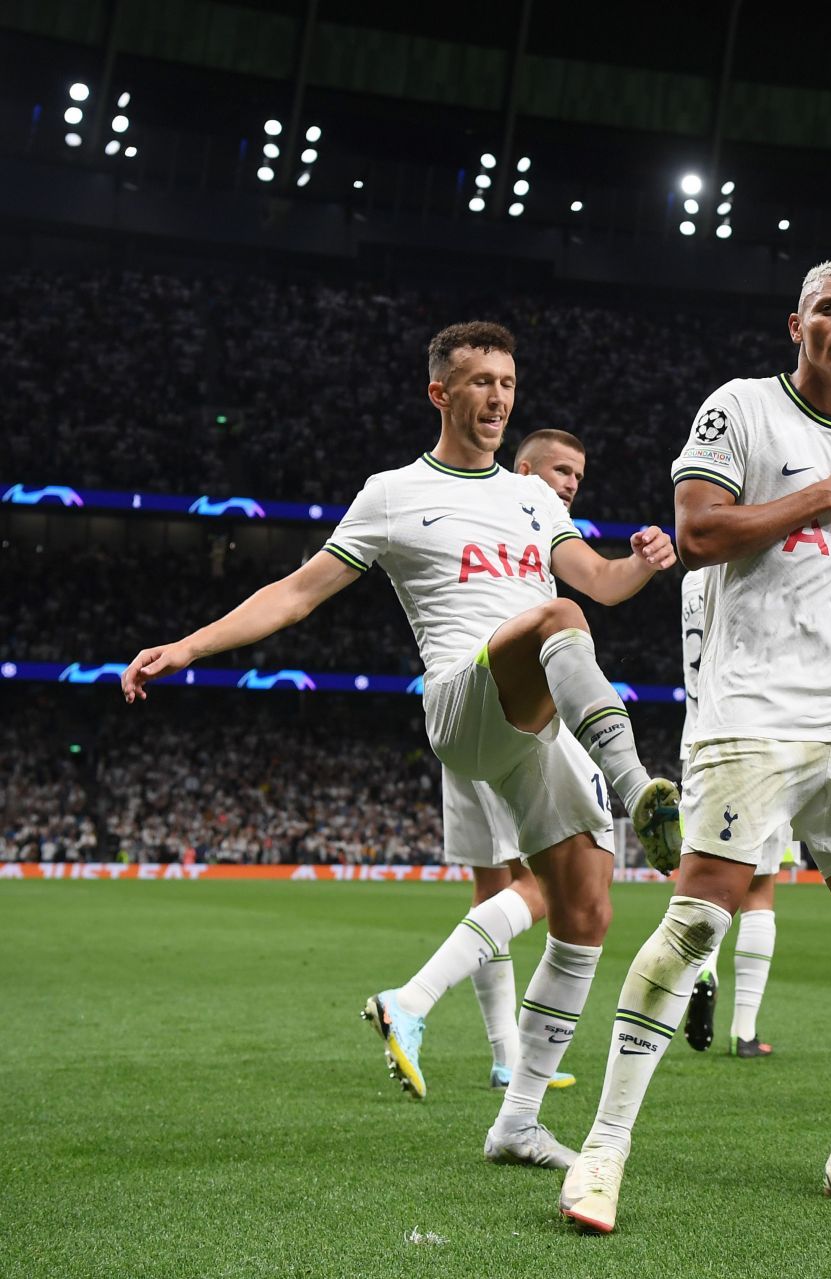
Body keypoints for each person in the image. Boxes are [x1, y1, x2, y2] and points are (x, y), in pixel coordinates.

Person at [120, 322, 682, 1170]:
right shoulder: (391, 492)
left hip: (538, 714)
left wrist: (642, 562)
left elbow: (597, 582)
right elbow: (298, 592)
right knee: (555, 620)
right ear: (440, 393)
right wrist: (190, 647)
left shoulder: (534, 497)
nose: (498, 397)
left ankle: (517, 1122)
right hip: (463, 697)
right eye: (481, 382)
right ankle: (637, 783)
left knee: (586, 911)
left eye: (508, 382)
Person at [558, 259, 831, 1232]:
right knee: (698, 918)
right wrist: (822, 494)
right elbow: (698, 529)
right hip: (749, 705)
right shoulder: (742, 410)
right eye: (829, 311)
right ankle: (601, 1154)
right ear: (796, 325)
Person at [373, 428, 595, 1096]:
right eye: (560, 469)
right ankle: (411, 998)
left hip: (471, 706)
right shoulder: (510, 509)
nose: (569, 484)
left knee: (492, 889)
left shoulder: (539, 529)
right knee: (548, 888)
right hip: (504, 716)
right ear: (523, 470)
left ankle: (506, 1057)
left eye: (579, 477)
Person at [678, 564, 778, 1059]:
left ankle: (704, 968)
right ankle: (745, 1031)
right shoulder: (761, 564)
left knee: (709, 888)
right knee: (759, 891)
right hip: (759, 739)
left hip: (697, 742)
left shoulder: (691, 579)